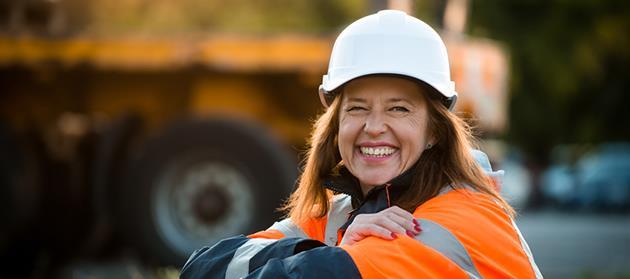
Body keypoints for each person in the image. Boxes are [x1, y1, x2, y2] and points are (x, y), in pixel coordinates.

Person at [180, 10, 542, 279]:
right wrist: (324, 247)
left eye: (398, 109)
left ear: (434, 131)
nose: (373, 127)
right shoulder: (341, 215)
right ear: (337, 124)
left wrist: (332, 253)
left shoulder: (456, 221)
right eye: (357, 108)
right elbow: (201, 267)